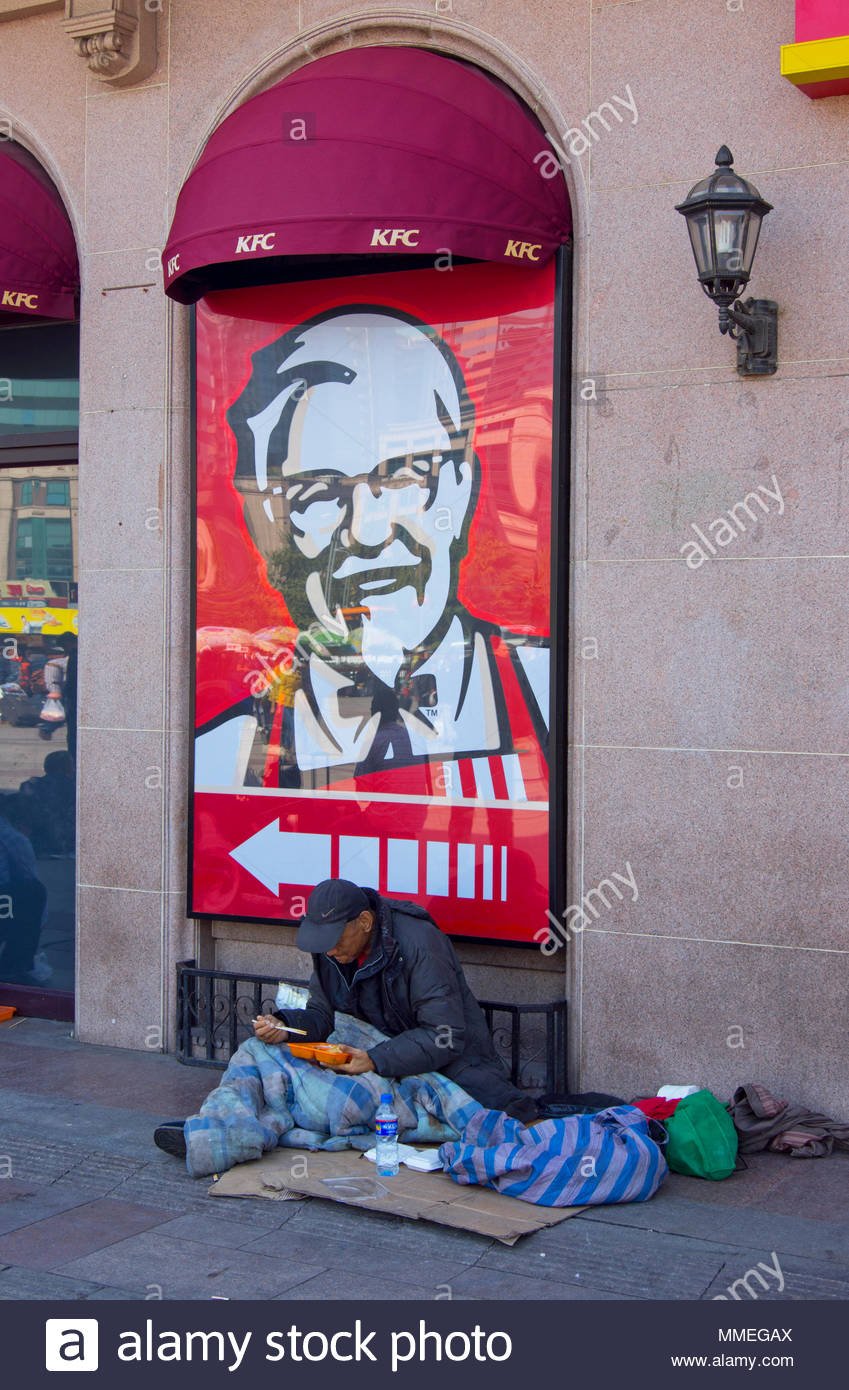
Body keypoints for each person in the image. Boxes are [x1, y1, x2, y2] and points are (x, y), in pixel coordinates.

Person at [195, 307, 549, 792]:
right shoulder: (220, 761)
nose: (366, 533)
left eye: (404, 473)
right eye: (317, 492)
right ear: (266, 531)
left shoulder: (557, 701)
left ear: (462, 487)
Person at [153, 878, 539, 1160]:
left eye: (337, 939)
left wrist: (377, 1059)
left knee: (337, 1103)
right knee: (255, 1053)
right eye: (323, 942)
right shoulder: (330, 947)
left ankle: (236, 1136)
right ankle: (218, 1127)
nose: (330, 950)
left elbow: (446, 1035)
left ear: (366, 923)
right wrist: (283, 1024)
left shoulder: (419, 943)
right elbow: (322, 1015)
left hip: (431, 1066)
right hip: (363, 1051)